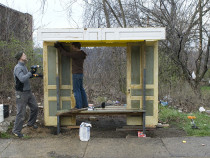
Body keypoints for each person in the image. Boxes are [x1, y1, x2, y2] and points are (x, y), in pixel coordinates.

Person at [54, 42, 88, 109]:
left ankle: (78, 106)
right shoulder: (81, 53)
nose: (71, 48)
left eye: (72, 47)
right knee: (81, 89)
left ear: (75, 47)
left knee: (76, 90)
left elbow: (66, 54)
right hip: (80, 73)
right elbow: (68, 53)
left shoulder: (76, 54)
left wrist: (59, 47)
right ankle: (85, 104)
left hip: (76, 74)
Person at [12, 52, 38, 138]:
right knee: (21, 112)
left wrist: (35, 74)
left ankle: (30, 124)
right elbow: (22, 79)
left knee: (35, 107)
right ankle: (16, 131)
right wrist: (30, 73)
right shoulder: (18, 68)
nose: (25, 55)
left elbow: (27, 76)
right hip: (21, 93)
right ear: (20, 57)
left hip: (28, 92)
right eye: (24, 55)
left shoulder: (23, 66)